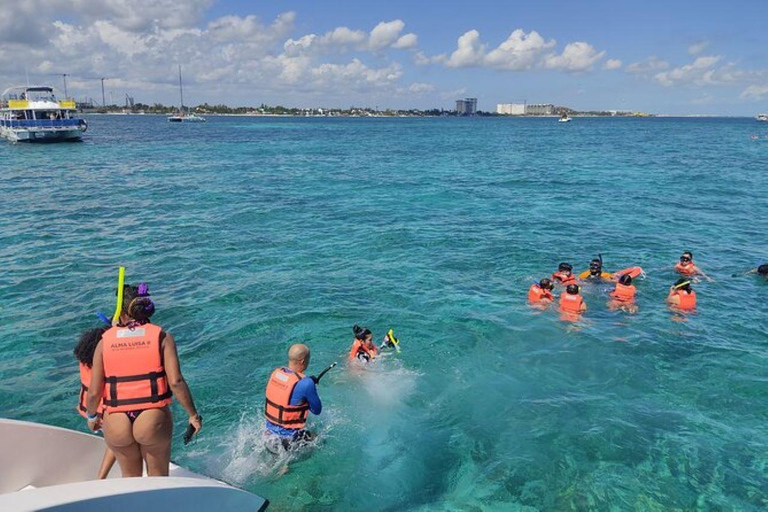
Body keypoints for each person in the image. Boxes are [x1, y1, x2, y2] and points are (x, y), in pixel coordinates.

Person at [86, 283, 202, 477]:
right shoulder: (162, 337)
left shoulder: (104, 342)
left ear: (120, 313)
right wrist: (193, 414)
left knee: (131, 483)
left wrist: (91, 417)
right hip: (152, 417)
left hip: (116, 422)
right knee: (157, 481)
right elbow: (176, 382)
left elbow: (94, 392)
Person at [74, 326, 116, 479]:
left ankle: (101, 478)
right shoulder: (104, 363)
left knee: (112, 441)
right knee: (114, 443)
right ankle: (101, 477)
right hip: (103, 411)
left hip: (91, 409)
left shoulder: (84, 361)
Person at [264, 344, 322, 449]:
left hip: (268, 434)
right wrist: (311, 388)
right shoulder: (307, 384)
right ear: (303, 361)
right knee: (318, 438)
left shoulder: (276, 373)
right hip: (288, 440)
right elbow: (317, 410)